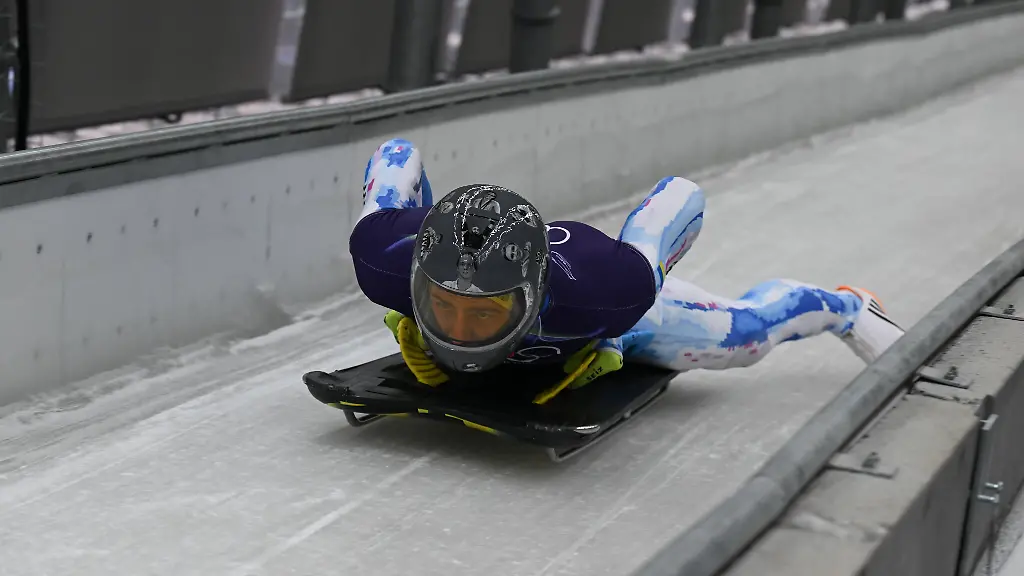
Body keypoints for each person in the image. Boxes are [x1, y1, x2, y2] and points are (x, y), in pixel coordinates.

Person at [349, 138, 906, 398]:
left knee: (747, 337)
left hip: (626, 323)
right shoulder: (384, 259)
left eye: (484, 315)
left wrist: (648, 274)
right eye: (441, 307)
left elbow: (680, 196)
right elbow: (397, 153)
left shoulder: (609, 290)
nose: (459, 333)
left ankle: (848, 307)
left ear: (531, 296)